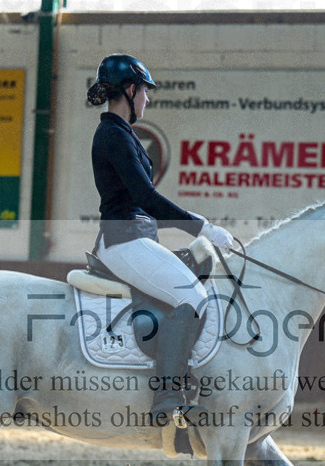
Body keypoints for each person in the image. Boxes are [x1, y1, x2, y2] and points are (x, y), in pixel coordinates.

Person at [86, 53, 235, 427]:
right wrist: (201, 226)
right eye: (144, 92)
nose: (147, 100)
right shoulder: (112, 135)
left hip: (137, 238)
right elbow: (146, 197)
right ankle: (168, 395)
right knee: (192, 296)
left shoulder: (124, 135)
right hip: (123, 240)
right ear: (130, 89)